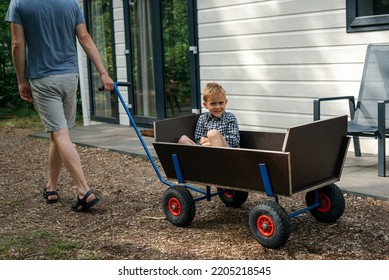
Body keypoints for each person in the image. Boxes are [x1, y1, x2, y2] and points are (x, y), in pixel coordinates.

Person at [5, 0, 114, 212]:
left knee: (60, 134)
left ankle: (84, 191)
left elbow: (17, 44)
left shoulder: (18, 3)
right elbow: (85, 38)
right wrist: (103, 72)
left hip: (43, 78)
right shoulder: (70, 3)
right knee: (57, 133)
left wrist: (21, 80)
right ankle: (52, 187)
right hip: (69, 77)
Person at [179, 82, 240, 148]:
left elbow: (234, 141)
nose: (217, 107)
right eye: (213, 103)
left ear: (225, 102)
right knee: (183, 139)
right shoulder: (203, 118)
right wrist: (211, 142)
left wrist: (211, 139)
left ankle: (218, 158)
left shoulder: (230, 117)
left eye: (221, 103)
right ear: (205, 105)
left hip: (227, 153)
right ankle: (196, 158)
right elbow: (198, 139)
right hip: (207, 150)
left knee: (212, 134)